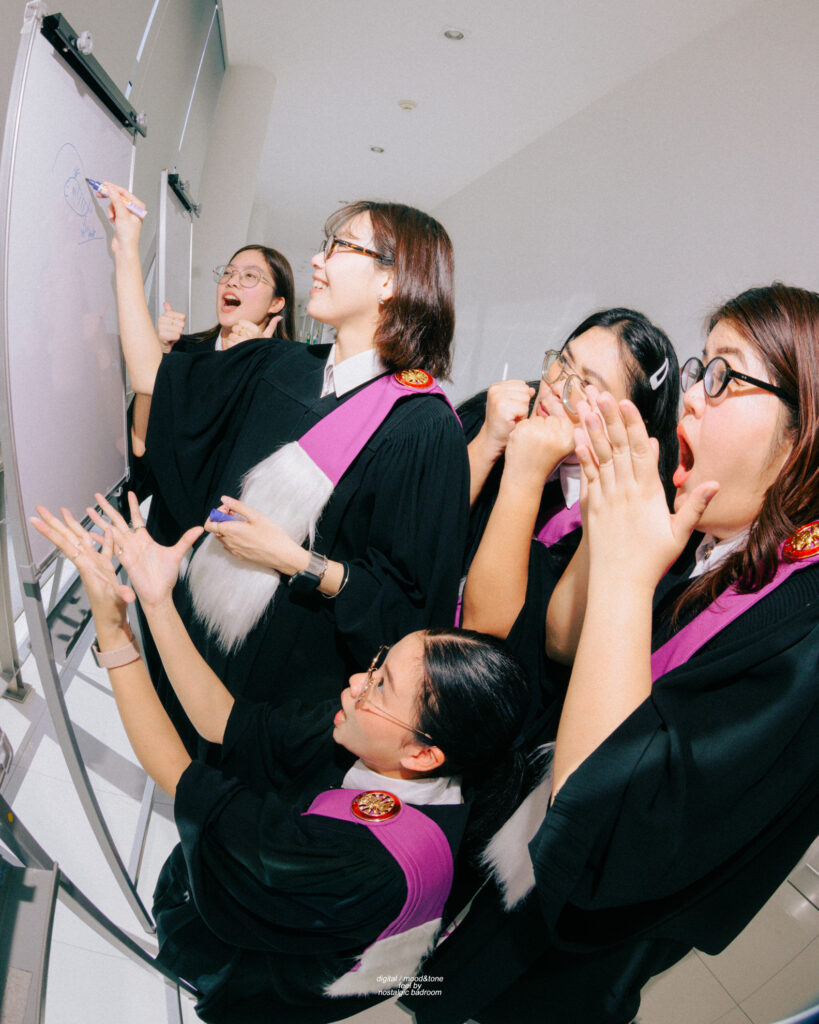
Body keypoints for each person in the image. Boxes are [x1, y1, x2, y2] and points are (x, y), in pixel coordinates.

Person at [402, 282, 819, 1024]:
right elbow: (568, 642)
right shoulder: (720, 549)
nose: (695, 399)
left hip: (577, 941)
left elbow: (606, 818)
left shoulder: (801, 619)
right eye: (700, 370)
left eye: (725, 375)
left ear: (803, 433)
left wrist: (624, 569)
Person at [31, 492, 532, 1024]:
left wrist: (114, 631)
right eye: (378, 664)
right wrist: (156, 601)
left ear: (425, 754)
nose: (356, 682)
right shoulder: (377, 739)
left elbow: (184, 779)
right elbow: (224, 721)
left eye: (381, 686)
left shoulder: (362, 863)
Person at [104, 188, 469, 742]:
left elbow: (409, 607)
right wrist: (126, 250)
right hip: (199, 646)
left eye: (341, 247)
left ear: (390, 281)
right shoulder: (278, 365)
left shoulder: (422, 427)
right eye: (325, 245)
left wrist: (296, 561)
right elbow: (152, 378)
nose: (317, 261)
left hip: (286, 707)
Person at [462, 309, 678, 741]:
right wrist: (486, 444)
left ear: (631, 423)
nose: (556, 387)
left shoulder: (614, 519)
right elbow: (418, 532)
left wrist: (523, 474)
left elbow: (486, 641)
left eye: (587, 386)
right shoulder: (500, 413)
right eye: (564, 361)